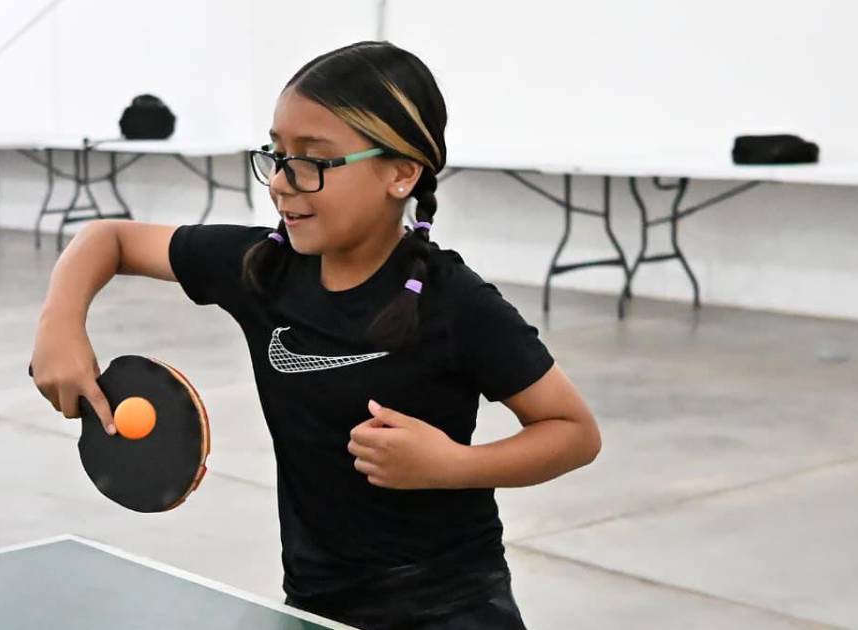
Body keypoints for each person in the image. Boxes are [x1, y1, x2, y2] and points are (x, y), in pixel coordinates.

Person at [31, 40, 601, 630]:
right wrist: (59, 325)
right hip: (317, 603)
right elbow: (109, 238)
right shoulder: (262, 271)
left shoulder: (455, 302)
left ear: (401, 173)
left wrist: (451, 465)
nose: (281, 182)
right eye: (277, 155)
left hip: (451, 607)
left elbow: (573, 432)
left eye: (313, 161)